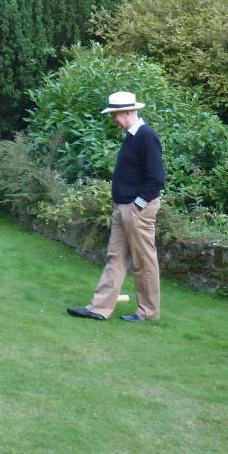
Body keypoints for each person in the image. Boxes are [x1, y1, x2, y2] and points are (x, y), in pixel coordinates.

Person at [68, 91, 165, 322]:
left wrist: (137, 206)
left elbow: (156, 179)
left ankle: (148, 312)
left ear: (129, 112)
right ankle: (99, 309)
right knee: (115, 258)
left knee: (144, 261)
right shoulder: (131, 136)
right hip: (122, 207)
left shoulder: (146, 136)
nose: (114, 120)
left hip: (136, 209)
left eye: (116, 115)